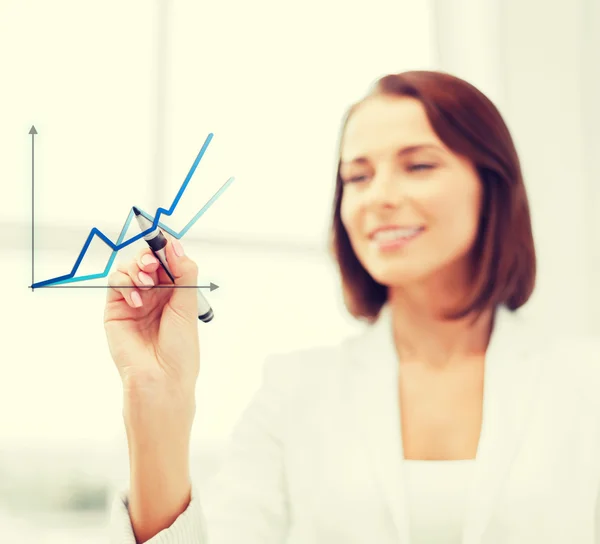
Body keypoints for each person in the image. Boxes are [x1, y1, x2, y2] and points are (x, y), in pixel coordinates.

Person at [104, 70, 600, 544]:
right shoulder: (294, 392)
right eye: (358, 177)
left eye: (419, 165)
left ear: (492, 188)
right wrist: (156, 401)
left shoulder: (583, 383)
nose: (378, 197)